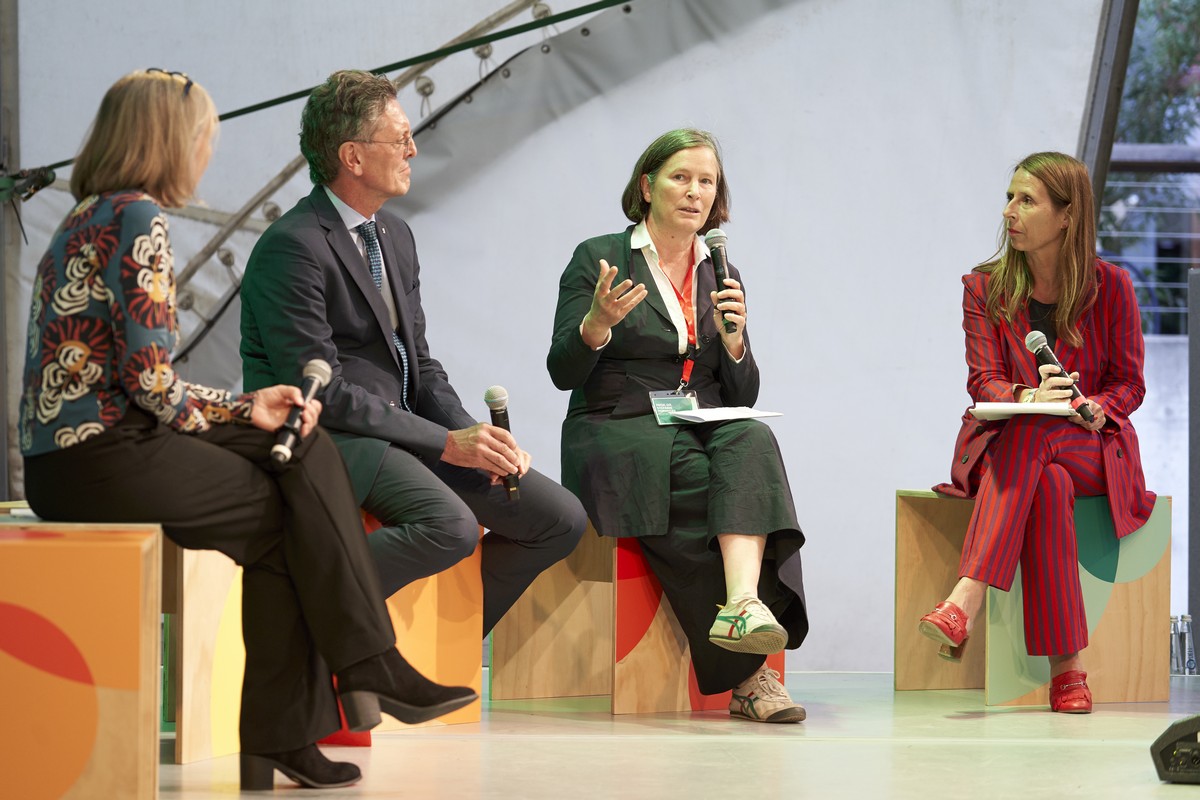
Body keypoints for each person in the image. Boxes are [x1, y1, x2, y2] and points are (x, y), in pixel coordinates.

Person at [18, 69, 477, 792]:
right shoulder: (140, 219)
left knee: (299, 451)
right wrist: (232, 414)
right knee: (291, 512)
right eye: (204, 138)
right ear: (169, 140)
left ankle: (299, 726)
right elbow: (149, 383)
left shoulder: (86, 215)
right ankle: (353, 672)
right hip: (104, 452)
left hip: (73, 449)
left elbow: (136, 376)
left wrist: (249, 408)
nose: (206, 154)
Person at [240, 70, 586, 639]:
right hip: (335, 437)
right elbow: (317, 389)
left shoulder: (393, 234)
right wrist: (447, 444)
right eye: (399, 138)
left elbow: (419, 364)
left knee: (560, 519)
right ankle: (304, 609)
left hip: (406, 433)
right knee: (448, 525)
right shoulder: (292, 247)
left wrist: (476, 437)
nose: (413, 149)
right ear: (352, 156)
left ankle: (437, 649)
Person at [547, 129, 809, 723]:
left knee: (753, 438)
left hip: (697, 418)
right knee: (696, 475)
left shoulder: (721, 268)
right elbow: (563, 370)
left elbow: (742, 394)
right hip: (616, 424)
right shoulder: (599, 256)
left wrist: (737, 344)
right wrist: (595, 324)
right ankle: (750, 678)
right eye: (680, 177)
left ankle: (742, 602)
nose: (695, 192)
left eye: (707, 181)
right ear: (647, 186)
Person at [923, 151, 1156, 713]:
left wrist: (1099, 406)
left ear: (1067, 215)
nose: (1010, 211)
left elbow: (1130, 383)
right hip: (1014, 446)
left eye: (1026, 200)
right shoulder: (984, 287)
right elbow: (983, 382)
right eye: (1009, 197)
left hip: (1093, 447)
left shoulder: (1112, 286)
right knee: (1044, 478)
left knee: (1043, 443)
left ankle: (966, 597)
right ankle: (1067, 670)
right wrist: (1028, 398)